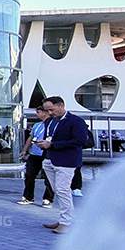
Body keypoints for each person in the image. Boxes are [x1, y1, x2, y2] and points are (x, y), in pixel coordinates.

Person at [36, 96, 88, 234]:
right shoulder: (51, 121)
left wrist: (52, 144)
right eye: (47, 110)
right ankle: (64, 219)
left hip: (66, 161)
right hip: (50, 159)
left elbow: (80, 141)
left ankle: (67, 222)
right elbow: (51, 137)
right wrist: (44, 143)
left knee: (63, 191)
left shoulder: (76, 121)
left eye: (51, 109)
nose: (50, 113)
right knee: (59, 191)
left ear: (61, 105)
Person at [18, 107, 54, 207]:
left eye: (38, 112)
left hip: (47, 154)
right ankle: (28, 196)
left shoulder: (52, 125)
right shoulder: (37, 125)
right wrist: (25, 150)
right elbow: (30, 138)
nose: (37, 114)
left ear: (45, 112)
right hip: (34, 154)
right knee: (29, 175)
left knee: (48, 177)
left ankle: (48, 198)